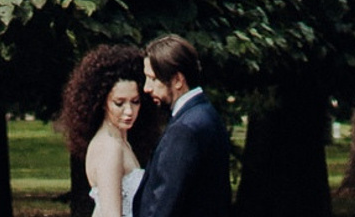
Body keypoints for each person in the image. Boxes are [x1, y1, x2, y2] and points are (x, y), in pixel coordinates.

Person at [134, 35, 230, 217]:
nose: (146, 88)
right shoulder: (206, 113)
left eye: (153, 79)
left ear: (178, 80)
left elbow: (165, 204)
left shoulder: (185, 128)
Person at [59, 45, 155, 217]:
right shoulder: (109, 148)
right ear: (102, 102)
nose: (129, 111)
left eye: (135, 101)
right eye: (119, 103)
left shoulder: (121, 142)